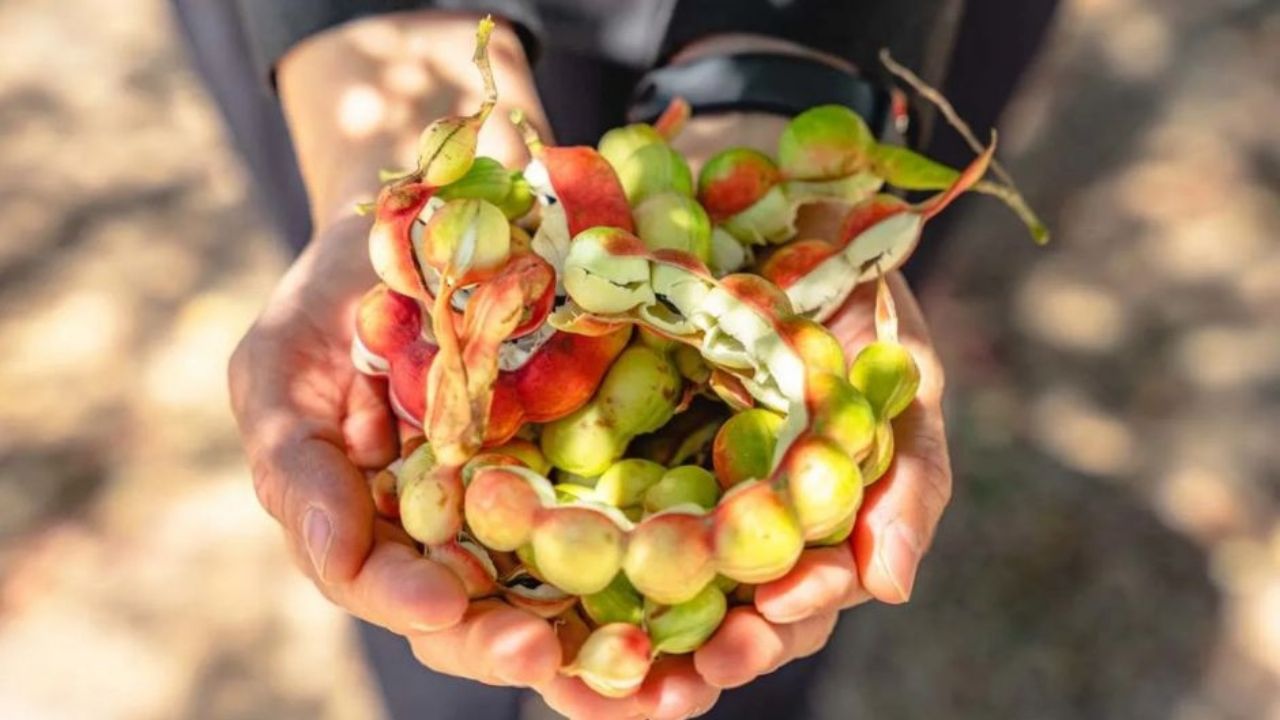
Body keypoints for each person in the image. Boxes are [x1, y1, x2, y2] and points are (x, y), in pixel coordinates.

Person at [207, 2, 1055, 718]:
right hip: (382, 53)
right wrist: (384, 36)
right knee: (441, 652)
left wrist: (778, 75)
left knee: (748, 656)